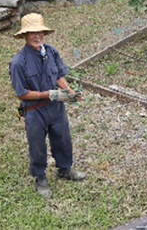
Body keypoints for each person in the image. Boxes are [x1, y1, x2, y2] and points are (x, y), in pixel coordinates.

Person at [8, 12, 88, 200]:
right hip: (34, 111)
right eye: (32, 32)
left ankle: (65, 169)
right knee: (37, 145)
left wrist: (68, 92)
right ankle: (40, 177)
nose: (37, 36)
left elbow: (59, 75)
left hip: (56, 107)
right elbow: (21, 93)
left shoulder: (51, 52)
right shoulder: (18, 62)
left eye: (40, 32)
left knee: (62, 138)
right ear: (25, 36)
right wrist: (50, 94)